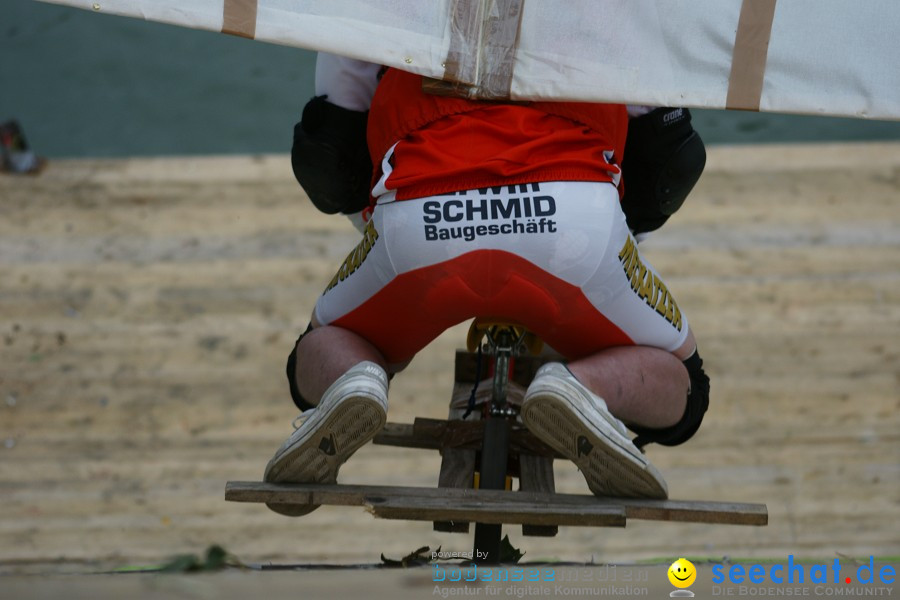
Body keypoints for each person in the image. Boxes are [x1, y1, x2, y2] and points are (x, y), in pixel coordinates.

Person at [265, 55, 710, 516]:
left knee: (319, 347)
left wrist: (377, 221)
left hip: (422, 215)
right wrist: (623, 235)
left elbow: (327, 158)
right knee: (688, 387)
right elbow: (672, 158)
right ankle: (584, 387)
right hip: (572, 217)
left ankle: (354, 379)